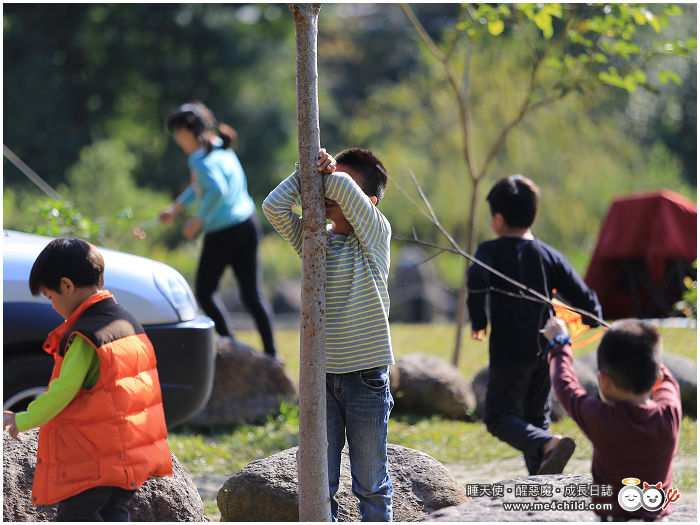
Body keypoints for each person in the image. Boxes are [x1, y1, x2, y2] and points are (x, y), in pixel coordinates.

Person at [263, 148, 394, 521]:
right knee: (321, 480)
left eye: (340, 186)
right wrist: (307, 172)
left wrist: (329, 173)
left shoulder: (374, 236)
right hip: (320, 377)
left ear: (368, 203)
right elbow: (273, 207)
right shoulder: (315, 241)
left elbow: (347, 193)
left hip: (366, 376)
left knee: (370, 480)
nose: (329, 194)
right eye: (324, 186)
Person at [2, 238, 172, 522]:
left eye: (50, 296)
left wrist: (24, 419)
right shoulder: (129, 323)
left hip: (94, 458)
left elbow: (62, 392)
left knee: (75, 516)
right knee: (112, 511)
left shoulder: (85, 337)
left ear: (66, 286)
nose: (53, 305)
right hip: (129, 452)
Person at [466, 175, 603, 476]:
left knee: (498, 417)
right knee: (534, 416)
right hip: (546, 351)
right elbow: (587, 302)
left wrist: (479, 320)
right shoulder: (549, 254)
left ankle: (548, 445)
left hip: (509, 353)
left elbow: (476, 278)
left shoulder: (490, 251)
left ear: (498, 219)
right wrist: (592, 316)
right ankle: (544, 482)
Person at [159, 101, 277, 356]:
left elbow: (216, 189)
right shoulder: (221, 146)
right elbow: (205, 186)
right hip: (247, 224)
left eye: (178, 134)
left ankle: (230, 348)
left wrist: (197, 220)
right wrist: (177, 207)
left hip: (224, 231)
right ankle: (272, 356)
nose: (178, 140)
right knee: (252, 295)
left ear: (186, 132)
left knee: (204, 291)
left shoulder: (198, 159)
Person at [542, 316, 682, 520]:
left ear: (603, 381)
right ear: (656, 379)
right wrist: (644, 351)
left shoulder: (601, 419)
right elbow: (667, 381)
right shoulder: (669, 414)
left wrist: (559, 343)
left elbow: (564, 386)